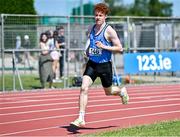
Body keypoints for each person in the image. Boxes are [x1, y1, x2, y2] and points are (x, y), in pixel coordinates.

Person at [71, 3, 129, 127]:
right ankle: (81, 117)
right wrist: (87, 50)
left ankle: (122, 91)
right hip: (92, 64)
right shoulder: (92, 28)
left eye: (100, 15)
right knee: (83, 88)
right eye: (96, 15)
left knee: (108, 92)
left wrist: (104, 46)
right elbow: (90, 40)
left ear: (105, 17)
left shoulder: (109, 30)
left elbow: (120, 48)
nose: (97, 17)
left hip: (104, 66)